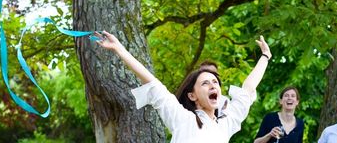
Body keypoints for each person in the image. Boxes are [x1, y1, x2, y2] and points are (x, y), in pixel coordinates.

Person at [96, 31, 272, 143]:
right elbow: (152, 82)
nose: (213, 85)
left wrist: (265, 56)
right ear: (192, 96)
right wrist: (119, 49)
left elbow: (247, 89)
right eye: (205, 83)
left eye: (215, 83)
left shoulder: (226, 122)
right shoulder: (182, 118)